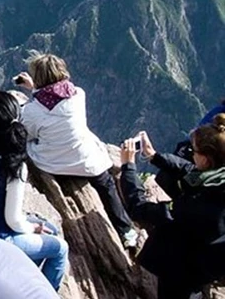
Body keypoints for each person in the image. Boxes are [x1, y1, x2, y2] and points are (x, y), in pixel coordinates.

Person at [14, 52, 139, 248]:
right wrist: (36, 89)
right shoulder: (78, 95)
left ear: (38, 79)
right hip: (87, 161)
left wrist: (32, 94)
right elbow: (54, 98)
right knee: (107, 186)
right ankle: (126, 231)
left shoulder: (32, 111)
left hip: (54, 164)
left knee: (27, 142)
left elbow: (28, 132)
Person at [0, 91, 68, 289]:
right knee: (58, 244)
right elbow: (13, 220)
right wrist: (33, 228)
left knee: (40, 226)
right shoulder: (13, 166)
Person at [120, 117, 225, 298]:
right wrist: (154, 156)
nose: (191, 154)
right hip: (212, 256)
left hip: (185, 266)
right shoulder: (218, 176)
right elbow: (191, 170)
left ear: (206, 160)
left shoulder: (194, 208)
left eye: (194, 150)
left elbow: (140, 208)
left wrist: (128, 167)